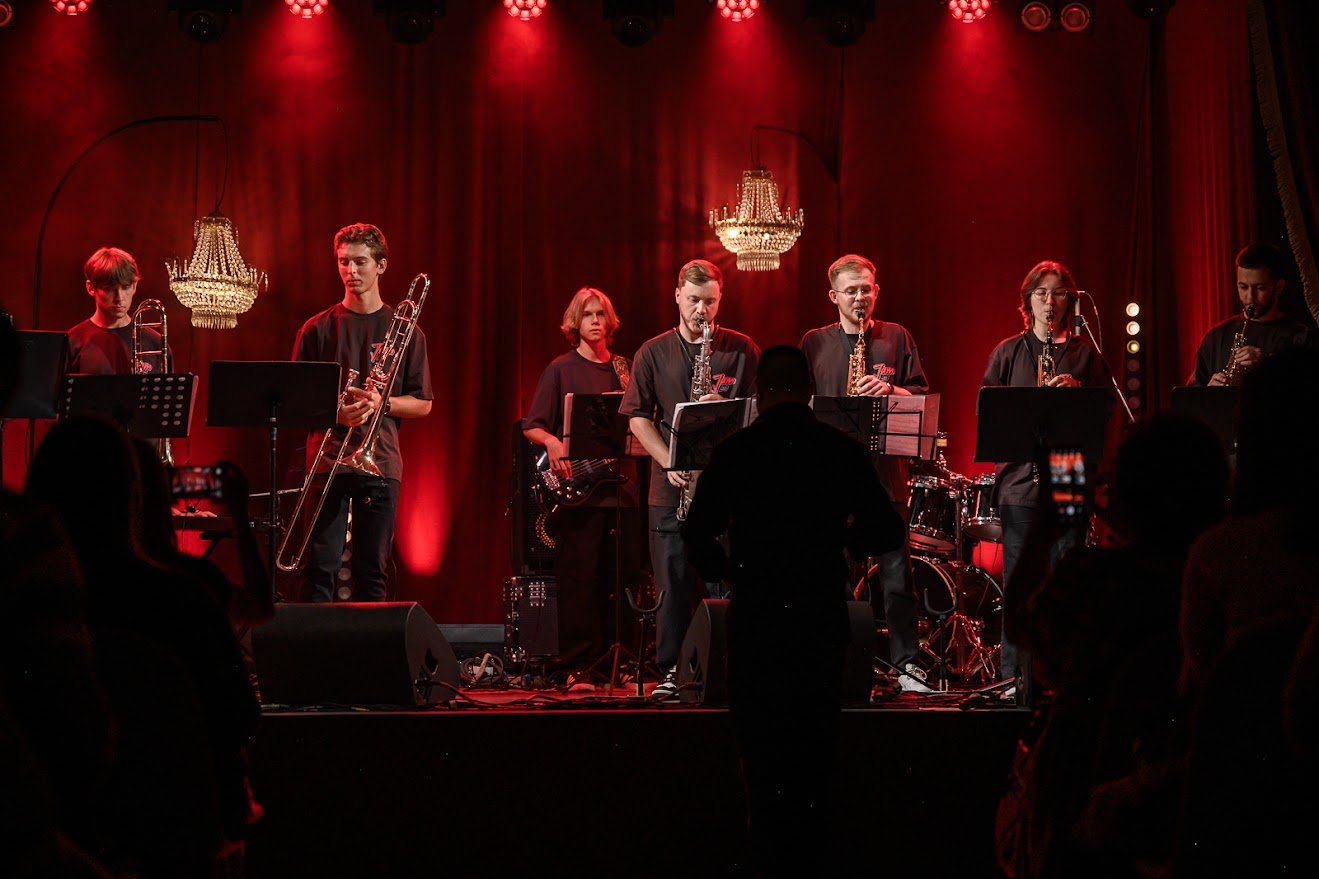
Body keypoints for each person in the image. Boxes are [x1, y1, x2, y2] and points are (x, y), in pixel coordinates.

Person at [681, 345, 906, 874]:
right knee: (814, 751)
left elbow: (695, 533)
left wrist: (728, 571)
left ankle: (764, 855)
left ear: (758, 394)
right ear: (809, 391)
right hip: (818, 615)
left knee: (760, 755)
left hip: (757, 616)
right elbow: (888, 530)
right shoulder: (841, 450)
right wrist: (848, 546)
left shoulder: (735, 451)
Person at [619, 258, 759, 699]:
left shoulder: (742, 349)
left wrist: (728, 410)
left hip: (728, 488)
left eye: (711, 302)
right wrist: (669, 461)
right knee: (673, 585)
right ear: (677, 295)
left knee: (729, 583)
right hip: (671, 489)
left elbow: (761, 413)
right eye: (695, 300)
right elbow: (637, 417)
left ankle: (731, 668)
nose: (703, 311)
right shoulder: (652, 352)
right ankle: (670, 670)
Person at [800, 253, 931, 692]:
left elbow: (920, 395)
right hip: (831, 482)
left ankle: (906, 665)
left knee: (897, 579)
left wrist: (890, 389)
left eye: (866, 289)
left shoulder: (897, 336)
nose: (860, 298)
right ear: (833, 296)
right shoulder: (814, 342)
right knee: (831, 578)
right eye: (851, 291)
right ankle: (837, 663)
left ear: (876, 291)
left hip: (886, 476)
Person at [981, 260, 1110, 696]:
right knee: (1019, 584)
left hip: (1068, 475)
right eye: (1041, 293)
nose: (1049, 301)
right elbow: (988, 412)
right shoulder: (1007, 352)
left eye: (1057, 294)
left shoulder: (1085, 354)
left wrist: (1078, 396)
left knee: (1067, 580)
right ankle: (1014, 682)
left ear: (1069, 301)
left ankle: (1066, 680)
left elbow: (1104, 415)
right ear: (1028, 301)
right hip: (1019, 482)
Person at [290, 223, 433, 603]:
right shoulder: (316, 328)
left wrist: (380, 403)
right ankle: (315, 641)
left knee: (372, 572)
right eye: (343, 262)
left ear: (381, 265)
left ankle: (370, 644)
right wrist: (336, 413)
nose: (350, 271)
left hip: (379, 461)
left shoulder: (408, 331)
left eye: (360, 262)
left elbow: (423, 403)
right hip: (327, 460)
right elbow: (295, 400)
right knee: (318, 569)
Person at [522, 287, 641, 675]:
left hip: (623, 490)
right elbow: (532, 425)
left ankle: (620, 661)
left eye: (600, 314)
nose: (594, 321)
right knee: (580, 579)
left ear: (610, 321)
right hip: (581, 491)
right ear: (575, 322)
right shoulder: (560, 369)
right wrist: (552, 441)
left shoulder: (625, 368)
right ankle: (580, 663)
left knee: (623, 578)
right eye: (587, 314)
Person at [1187, 242, 1313, 387]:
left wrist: (1266, 366)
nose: (1250, 297)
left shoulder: (1301, 337)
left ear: (1279, 287)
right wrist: (1209, 393)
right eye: (1243, 287)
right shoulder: (1215, 337)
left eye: (1260, 288)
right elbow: (1191, 396)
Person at [66, 246, 169, 375]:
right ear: (91, 288)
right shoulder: (72, 342)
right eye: (109, 289)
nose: (119, 298)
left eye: (125, 287)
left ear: (134, 286)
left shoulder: (155, 342)